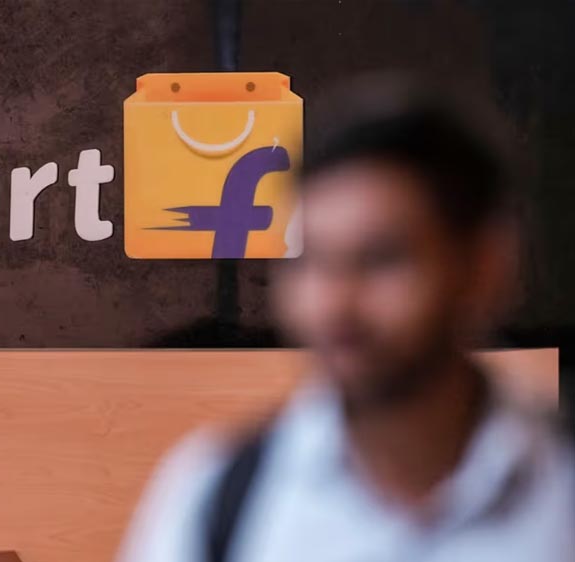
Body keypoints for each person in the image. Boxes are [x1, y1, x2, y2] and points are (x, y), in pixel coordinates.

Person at [116, 75, 575, 562]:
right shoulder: (218, 498)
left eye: (381, 259)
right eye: (310, 261)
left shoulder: (559, 485)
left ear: (484, 266)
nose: (334, 304)